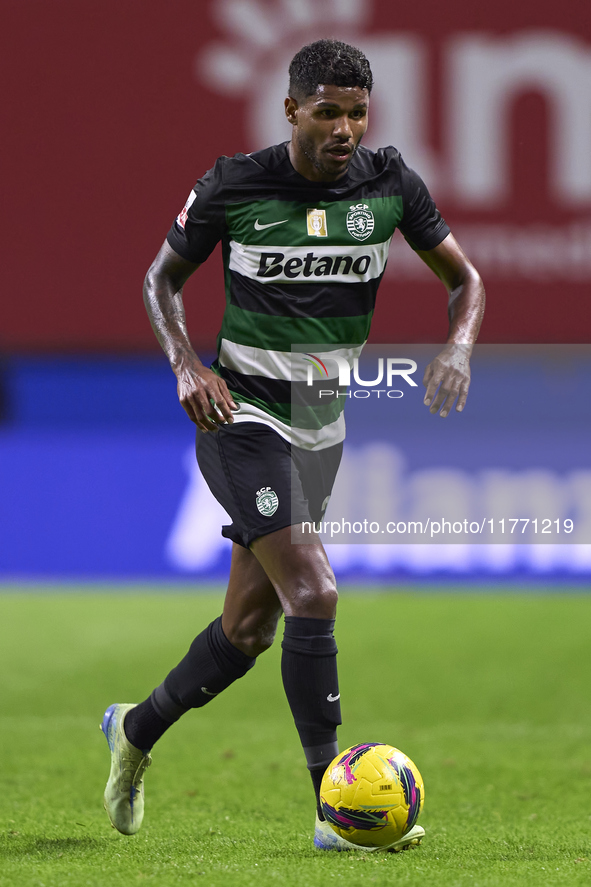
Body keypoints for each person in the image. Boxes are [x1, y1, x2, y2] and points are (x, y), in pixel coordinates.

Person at [100, 38, 484, 851]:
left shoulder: (389, 185)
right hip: (239, 415)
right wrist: (184, 365)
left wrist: (455, 346)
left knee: (246, 630)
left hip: (320, 425)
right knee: (314, 589)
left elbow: (467, 279)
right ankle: (334, 810)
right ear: (291, 110)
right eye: (327, 112)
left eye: (356, 113)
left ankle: (134, 728)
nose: (344, 128)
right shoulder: (236, 184)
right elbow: (159, 278)